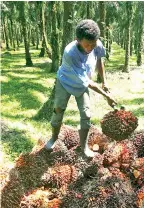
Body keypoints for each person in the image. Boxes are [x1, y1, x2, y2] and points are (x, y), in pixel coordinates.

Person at [45, 19, 117, 157]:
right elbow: (88, 83)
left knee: (86, 114)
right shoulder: (70, 53)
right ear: (77, 40)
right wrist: (106, 96)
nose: (90, 48)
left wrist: (104, 82)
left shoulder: (97, 43)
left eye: (93, 44)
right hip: (65, 82)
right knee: (58, 109)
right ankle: (54, 137)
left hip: (82, 85)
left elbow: (99, 61)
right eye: (87, 45)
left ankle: (83, 146)